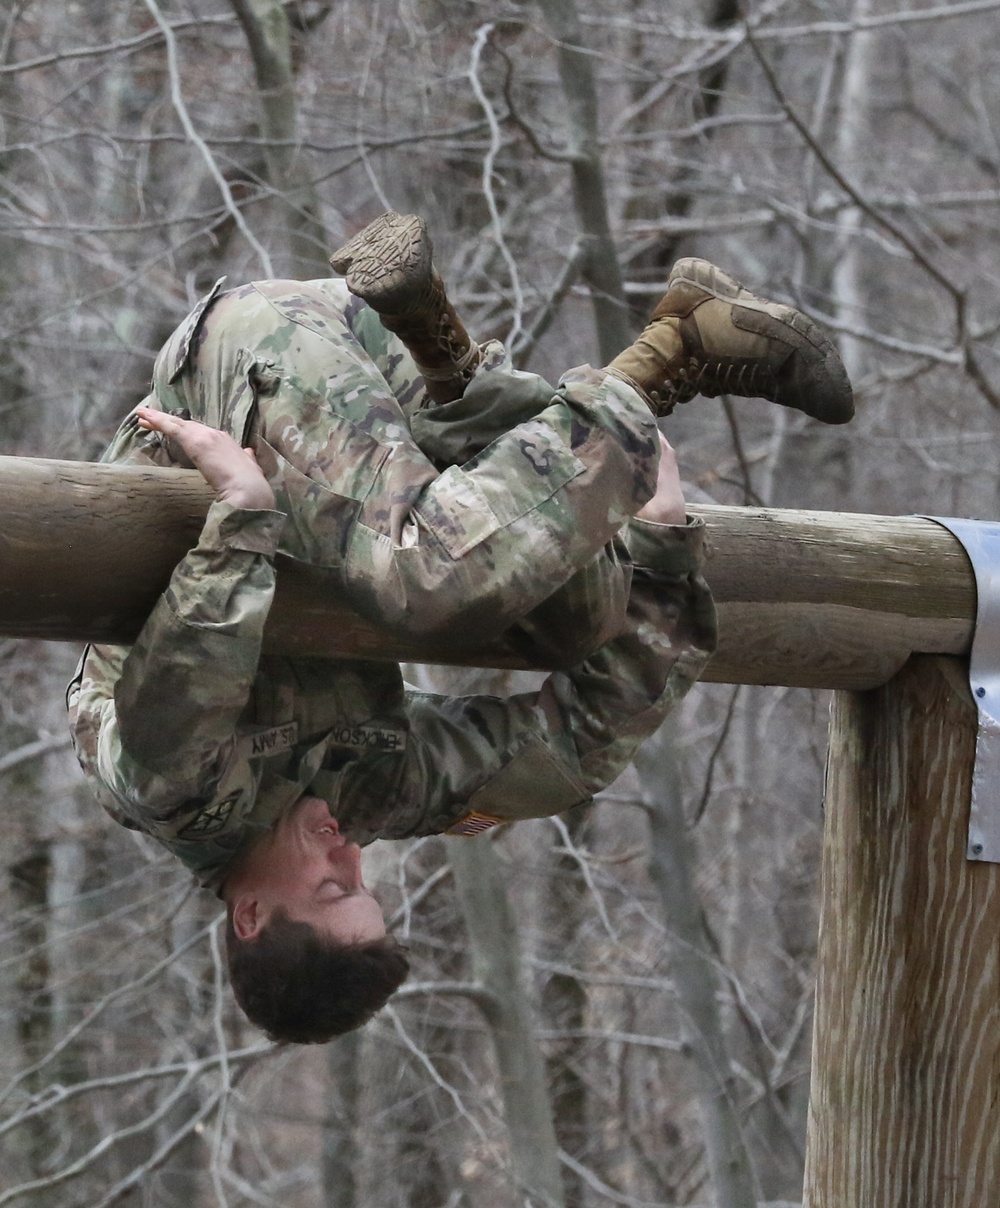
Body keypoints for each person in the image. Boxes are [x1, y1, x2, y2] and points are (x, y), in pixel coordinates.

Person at [67, 213, 852, 1043]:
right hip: (380, 384)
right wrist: (659, 547)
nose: (349, 855)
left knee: (427, 577)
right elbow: (571, 756)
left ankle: (665, 358)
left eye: (332, 887)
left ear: (252, 915)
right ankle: (458, 363)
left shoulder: (168, 794)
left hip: (245, 373)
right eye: (364, 881)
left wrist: (240, 515)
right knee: (579, 619)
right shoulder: (366, 796)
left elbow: (195, 663)